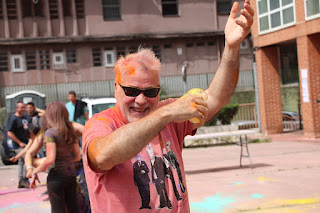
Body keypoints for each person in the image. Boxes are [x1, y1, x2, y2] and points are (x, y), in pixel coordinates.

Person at [82, 1, 254, 211]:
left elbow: (217, 97)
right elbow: (102, 156)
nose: (141, 100)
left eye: (151, 91)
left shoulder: (169, 116)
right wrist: (166, 113)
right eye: (132, 91)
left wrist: (231, 47)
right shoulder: (102, 123)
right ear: (116, 88)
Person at [29, 102, 81, 213]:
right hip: (71, 176)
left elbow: (50, 159)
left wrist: (35, 171)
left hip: (56, 177)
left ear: (49, 116)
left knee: (58, 210)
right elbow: (77, 157)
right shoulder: (70, 131)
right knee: (73, 209)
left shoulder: (50, 133)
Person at [7, 101, 30, 188]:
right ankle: (23, 179)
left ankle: (21, 180)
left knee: (22, 162)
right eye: (21, 107)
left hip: (27, 144)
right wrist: (19, 143)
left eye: (24, 107)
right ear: (16, 108)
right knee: (27, 158)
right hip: (19, 145)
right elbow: (10, 133)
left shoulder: (25, 118)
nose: (23, 109)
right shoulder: (13, 119)